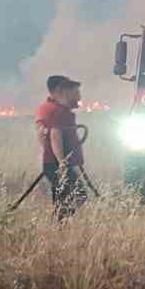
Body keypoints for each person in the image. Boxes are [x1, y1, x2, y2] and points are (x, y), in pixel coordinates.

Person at [35, 75, 87, 219]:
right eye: (75, 91)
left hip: (54, 164)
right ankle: (61, 224)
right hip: (58, 164)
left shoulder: (47, 108)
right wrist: (61, 162)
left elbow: (41, 133)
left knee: (63, 196)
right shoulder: (57, 111)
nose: (78, 96)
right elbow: (55, 135)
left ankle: (61, 224)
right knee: (77, 194)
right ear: (61, 91)